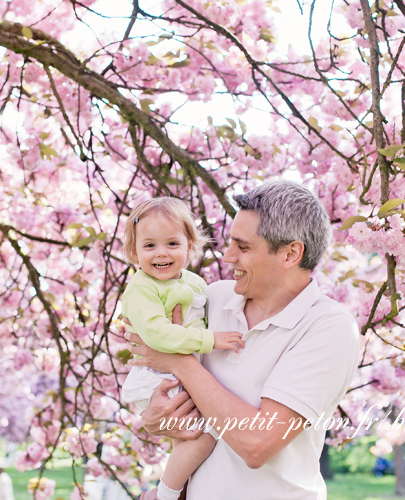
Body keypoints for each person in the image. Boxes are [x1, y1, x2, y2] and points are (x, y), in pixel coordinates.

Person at [127, 179, 360, 499]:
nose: (226, 256)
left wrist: (180, 362)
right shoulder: (213, 297)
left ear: (291, 253)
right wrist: (156, 418)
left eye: (243, 246)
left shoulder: (329, 327)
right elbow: (180, 408)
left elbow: (256, 443)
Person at [119, 197, 245, 500]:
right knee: (203, 436)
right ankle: (165, 495)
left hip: (179, 373)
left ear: (190, 247)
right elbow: (158, 334)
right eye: (149, 246)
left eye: (172, 243)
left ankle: (182, 490)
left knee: (192, 436)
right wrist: (210, 340)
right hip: (156, 375)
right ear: (134, 252)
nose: (161, 253)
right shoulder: (141, 288)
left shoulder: (195, 283)